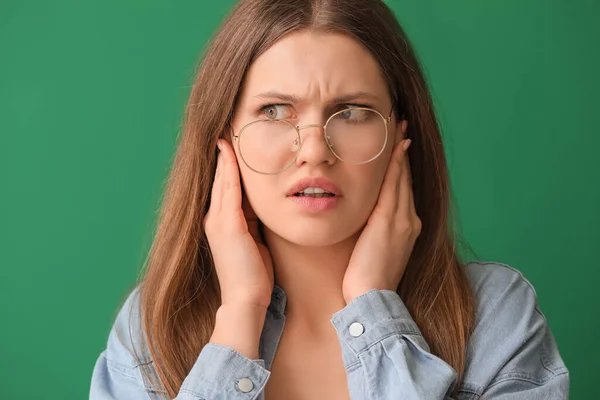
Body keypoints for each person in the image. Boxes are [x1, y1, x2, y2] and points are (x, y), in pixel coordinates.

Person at [89, 0, 569, 398]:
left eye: (352, 112)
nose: (315, 149)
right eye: (274, 110)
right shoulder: (150, 331)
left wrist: (373, 306)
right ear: (226, 138)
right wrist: (239, 315)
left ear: (401, 137)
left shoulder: (495, 317)